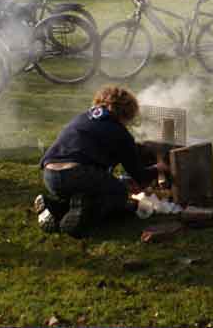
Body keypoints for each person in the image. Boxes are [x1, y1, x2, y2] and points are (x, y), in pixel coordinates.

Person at [36, 86, 166, 237]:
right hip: (75, 174)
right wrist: (158, 168)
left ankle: (55, 208)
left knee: (91, 192)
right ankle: (80, 221)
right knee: (118, 193)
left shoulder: (84, 117)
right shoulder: (120, 133)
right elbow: (139, 176)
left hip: (50, 175)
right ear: (127, 112)